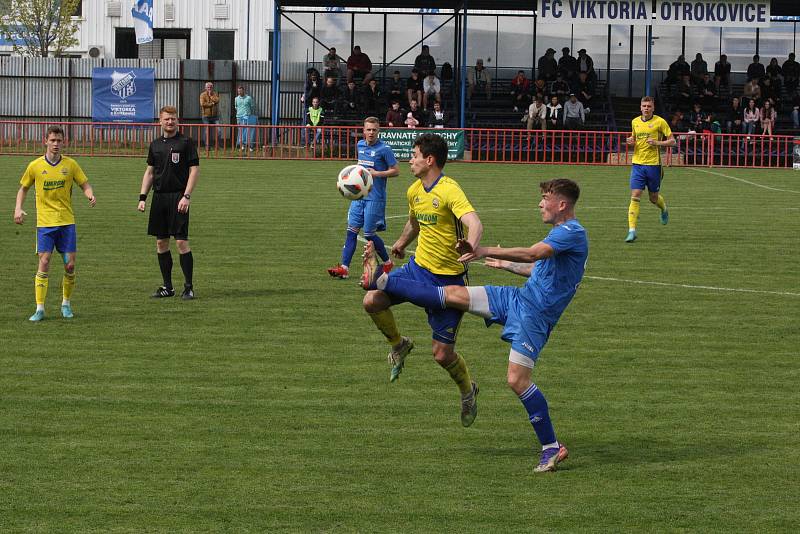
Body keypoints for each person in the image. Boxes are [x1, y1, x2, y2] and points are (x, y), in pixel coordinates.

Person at [361, 178, 587, 473]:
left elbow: (534, 253)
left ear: (562, 204)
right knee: (455, 296)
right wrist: (504, 264)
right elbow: (536, 268)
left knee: (517, 381)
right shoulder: (560, 232)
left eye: (545, 198)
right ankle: (384, 281)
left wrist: (484, 250)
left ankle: (551, 447)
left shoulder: (573, 232)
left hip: (535, 316)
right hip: (516, 299)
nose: (540, 203)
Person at [359, 132, 484, 427]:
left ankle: (468, 391)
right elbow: (415, 221)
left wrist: (471, 244)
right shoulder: (414, 190)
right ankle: (398, 344)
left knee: (442, 355)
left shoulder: (450, 190)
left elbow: (474, 223)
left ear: (429, 160)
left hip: (448, 282)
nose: (410, 160)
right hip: (418, 269)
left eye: (414, 155)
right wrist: (401, 243)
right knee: (371, 300)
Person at [13, 125, 96, 321]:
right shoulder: (35, 166)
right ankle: (39, 308)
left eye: (59, 140)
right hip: (45, 224)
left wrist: (89, 194)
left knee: (69, 266)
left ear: (63, 142)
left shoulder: (71, 165)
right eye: (53, 140)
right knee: (44, 262)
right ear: (46, 141)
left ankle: (65, 304)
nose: (56, 144)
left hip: (67, 223)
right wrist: (18, 208)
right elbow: (23, 188)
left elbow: (84, 183)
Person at [138, 106, 200, 299]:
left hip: (178, 196)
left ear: (177, 121)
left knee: (181, 241)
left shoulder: (186, 142)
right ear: (160, 121)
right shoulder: (155, 144)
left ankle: (188, 287)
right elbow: (149, 172)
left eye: (173, 119)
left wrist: (187, 196)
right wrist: (142, 197)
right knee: (161, 242)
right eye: (166, 119)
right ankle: (168, 287)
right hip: (159, 198)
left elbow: (194, 171)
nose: (170, 122)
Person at [327, 117, 399, 280]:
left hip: (375, 198)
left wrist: (377, 173)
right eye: (368, 129)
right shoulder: (360, 145)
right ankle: (344, 268)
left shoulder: (384, 149)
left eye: (374, 130)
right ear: (364, 131)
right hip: (359, 196)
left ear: (378, 130)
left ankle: (387, 262)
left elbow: (395, 170)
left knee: (368, 234)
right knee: (351, 232)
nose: (371, 132)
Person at [624, 96, 675, 243]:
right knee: (635, 194)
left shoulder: (660, 122)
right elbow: (634, 140)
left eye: (649, 106)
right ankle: (632, 231)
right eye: (644, 106)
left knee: (653, 198)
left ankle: (664, 208)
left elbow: (673, 141)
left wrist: (657, 142)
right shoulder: (635, 122)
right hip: (638, 164)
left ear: (653, 108)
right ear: (640, 107)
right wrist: (630, 141)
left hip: (654, 165)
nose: (646, 108)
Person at [234, 85, 256, 151]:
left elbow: (252, 106)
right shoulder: (236, 98)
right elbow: (236, 107)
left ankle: (250, 146)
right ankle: (242, 146)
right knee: (240, 132)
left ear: (243, 91)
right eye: (238, 91)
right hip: (239, 117)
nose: (239, 92)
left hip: (247, 117)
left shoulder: (248, 98)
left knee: (248, 131)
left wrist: (248, 112)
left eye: (240, 91)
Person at [199, 81, 220, 147]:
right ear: (205, 88)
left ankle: (217, 145)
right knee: (207, 131)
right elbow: (202, 104)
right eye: (208, 87)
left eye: (210, 87)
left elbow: (217, 100)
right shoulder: (202, 95)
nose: (209, 88)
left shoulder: (214, 94)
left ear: (212, 87)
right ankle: (207, 146)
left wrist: (211, 96)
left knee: (219, 130)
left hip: (215, 116)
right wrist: (211, 104)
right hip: (206, 116)